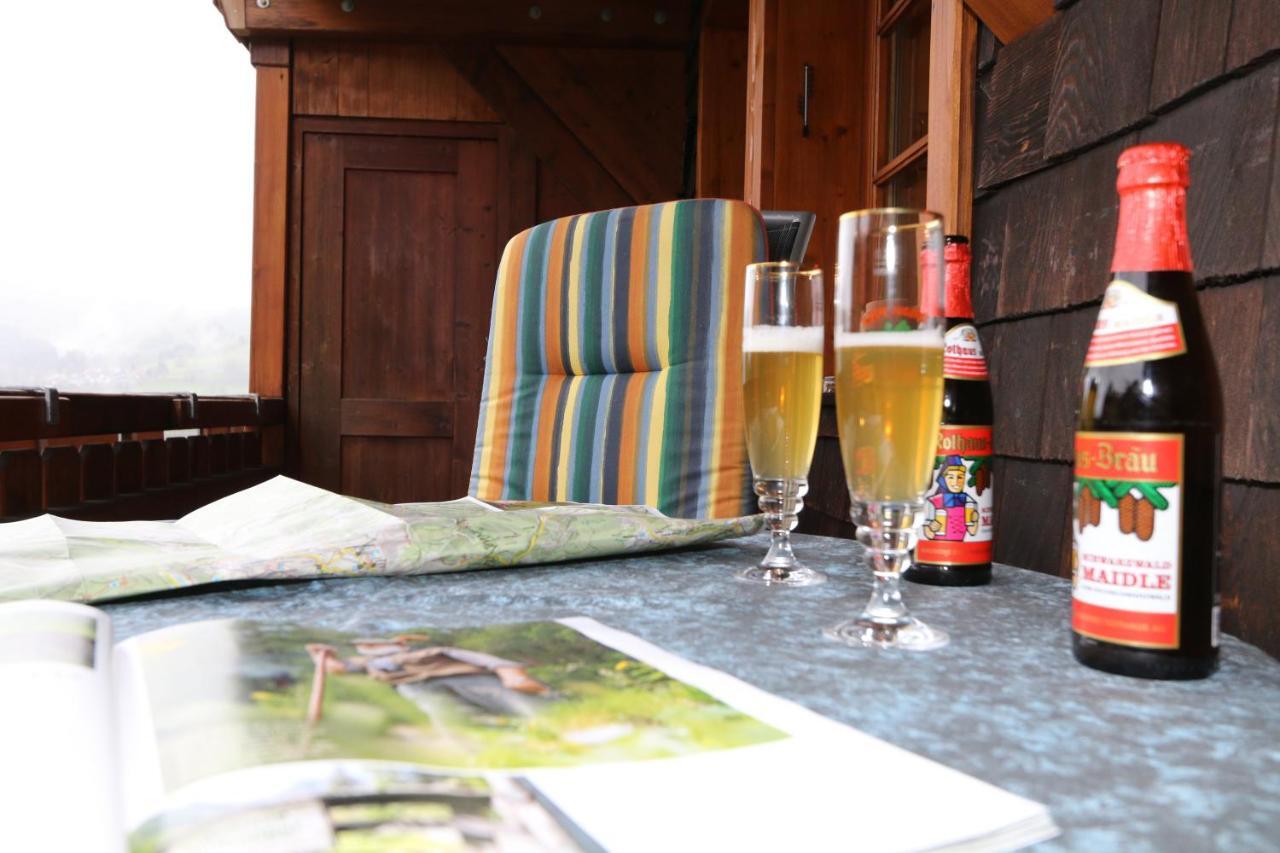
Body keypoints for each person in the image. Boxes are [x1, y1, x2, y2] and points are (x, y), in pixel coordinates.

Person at [306, 634, 551, 720]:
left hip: (454, 675)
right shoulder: (369, 663)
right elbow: (338, 668)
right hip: (416, 688)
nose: (368, 646)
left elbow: (471, 656)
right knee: (445, 713)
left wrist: (504, 667)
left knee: (499, 696)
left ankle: (547, 709)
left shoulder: (425, 650)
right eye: (365, 644)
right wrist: (320, 656)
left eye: (372, 642)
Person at [922, 456, 979, 542]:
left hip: (962, 547)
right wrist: (931, 528)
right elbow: (929, 534)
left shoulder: (969, 501)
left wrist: (975, 520)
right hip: (937, 547)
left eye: (960, 477)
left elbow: (972, 531)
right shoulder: (932, 502)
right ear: (943, 479)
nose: (956, 482)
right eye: (951, 477)